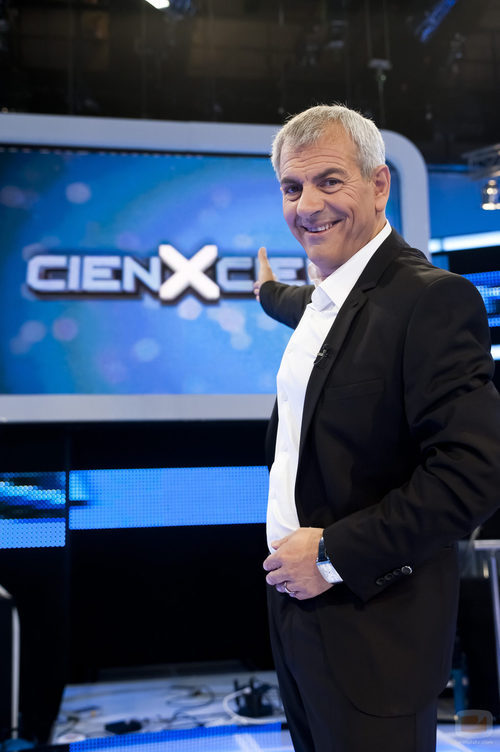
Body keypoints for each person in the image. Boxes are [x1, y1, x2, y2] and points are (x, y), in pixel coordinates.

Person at [253, 103, 500, 752]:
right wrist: (266, 292)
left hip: (375, 634)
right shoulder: (324, 299)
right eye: (292, 188)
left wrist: (330, 555)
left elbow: (474, 476)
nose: (308, 205)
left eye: (329, 181)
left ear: (379, 184)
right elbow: (300, 305)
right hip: (298, 618)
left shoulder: (431, 299)